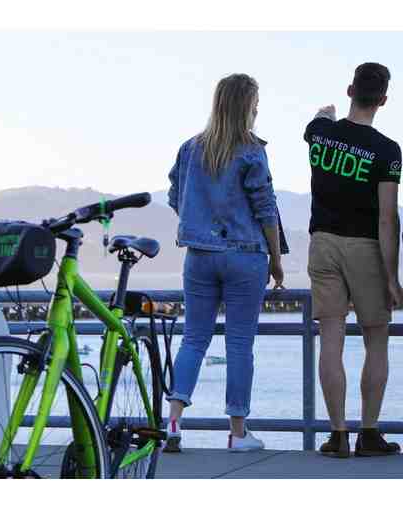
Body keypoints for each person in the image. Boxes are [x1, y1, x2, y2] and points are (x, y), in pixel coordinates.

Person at [166, 73, 286, 453]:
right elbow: (265, 208)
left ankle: (173, 423)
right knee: (239, 344)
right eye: (256, 104)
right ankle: (237, 433)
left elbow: (176, 196)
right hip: (245, 256)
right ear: (247, 106)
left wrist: (201, 223)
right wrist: (276, 260)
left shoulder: (190, 148)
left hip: (199, 256)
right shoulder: (251, 151)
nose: (257, 110)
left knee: (193, 339)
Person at [305, 63, 403, 458]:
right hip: (365, 247)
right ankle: (369, 433)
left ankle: (338, 436)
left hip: (322, 243)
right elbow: (387, 217)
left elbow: (316, 121)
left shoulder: (320, 133)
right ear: (383, 100)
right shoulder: (388, 150)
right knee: (376, 341)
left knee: (331, 340)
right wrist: (392, 278)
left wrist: (325, 114)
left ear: (350, 90)